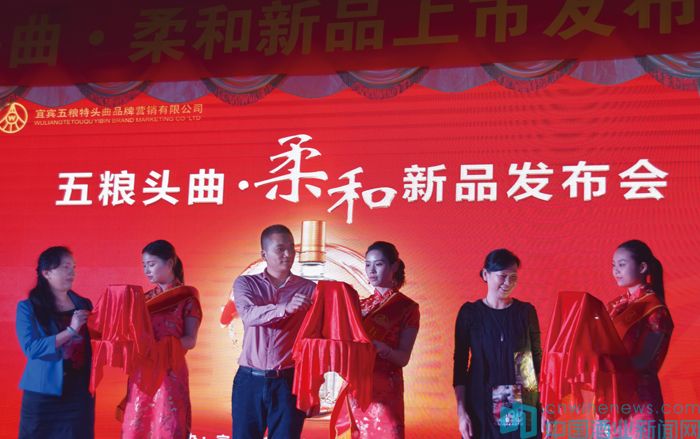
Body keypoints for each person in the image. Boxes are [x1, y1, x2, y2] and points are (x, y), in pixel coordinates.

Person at [231, 224, 315, 439]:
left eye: (291, 248)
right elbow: (248, 315)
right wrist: (285, 309)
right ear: (264, 254)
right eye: (280, 249)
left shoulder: (310, 289)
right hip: (249, 380)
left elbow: (319, 334)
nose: (288, 254)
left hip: (289, 381)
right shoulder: (245, 283)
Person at [453, 249, 542, 439]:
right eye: (502, 276)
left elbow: (536, 360)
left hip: (521, 402)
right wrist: (461, 412)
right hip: (480, 402)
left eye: (513, 277)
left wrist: (543, 406)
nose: (508, 282)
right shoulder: (470, 313)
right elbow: (460, 365)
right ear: (486, 274)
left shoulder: (525, 312)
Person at [122, 239, 202, 439]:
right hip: (143, 372)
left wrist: (160, 347)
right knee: (137, 427)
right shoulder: (144, 299)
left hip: (170, 372)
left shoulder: (186, 298)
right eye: (144, 265)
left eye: (151, 264)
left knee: (168, 427)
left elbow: (190, 340)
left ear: (170, 263)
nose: (146, 271)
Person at [342, 241, 420, 438]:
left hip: (387, 392)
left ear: (394, 267)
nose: (371, 270)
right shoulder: (359, 306)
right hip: (359, 390)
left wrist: (384, 350)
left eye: (378, 264)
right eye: (367, 264)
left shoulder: (407, 308)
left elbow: (403, 358)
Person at [16, 246, 94, 439]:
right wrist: (71, 330)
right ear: (46, 273)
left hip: (78, 392)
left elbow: (96, 342)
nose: (72, 272)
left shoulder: (84, 304)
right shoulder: (28, 308)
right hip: (43, 393)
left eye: (73, 267)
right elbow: (31, 348)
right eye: (65, 267)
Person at [606, 239, 673, 438]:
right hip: (610, 400)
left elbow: (643, 361)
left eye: (622, 264)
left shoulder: (655, 310)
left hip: (640, 402)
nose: (616, 270)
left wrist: (602, 362)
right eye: (613, 265)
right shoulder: (615, 306)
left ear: (642, 267)